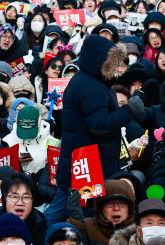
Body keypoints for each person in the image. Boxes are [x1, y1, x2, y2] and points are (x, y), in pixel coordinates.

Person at [47, 36, 144, 223]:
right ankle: (31, 236)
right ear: (99, 60)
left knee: (66, 205)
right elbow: (100, 126)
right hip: (90, 161)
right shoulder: (92, 87)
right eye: (110, 63)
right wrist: (130, 110)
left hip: (80, 157)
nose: (115, 68)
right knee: (69, 209)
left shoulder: (83, 80)